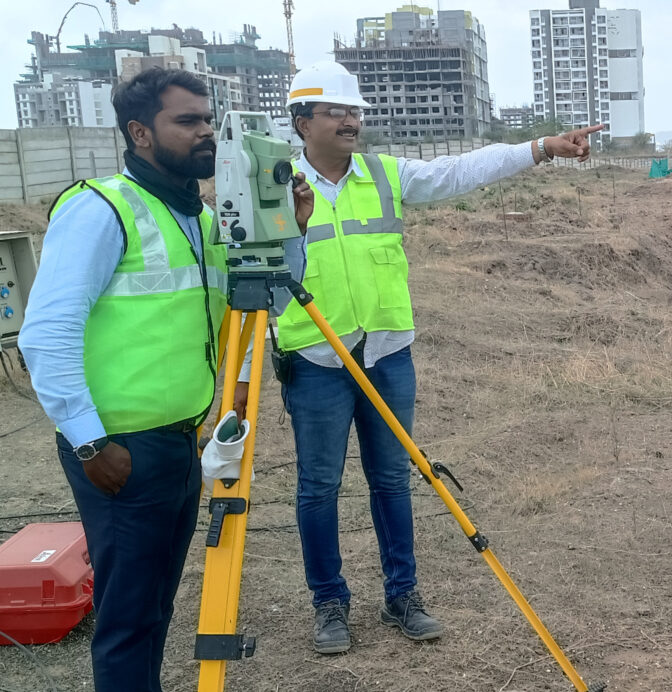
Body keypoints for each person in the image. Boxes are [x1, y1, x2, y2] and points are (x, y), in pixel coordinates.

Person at [234, 60, 603, 655]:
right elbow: (267, 285)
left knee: (392, 479)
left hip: (385, 353)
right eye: (337, 112)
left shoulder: (382, 174)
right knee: (318, 488)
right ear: (302, 123)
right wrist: (296, 231)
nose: (352, 121)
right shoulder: (271, 190)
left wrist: (540, 148)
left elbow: (459, 171)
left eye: (355, 111)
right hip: (314, 360)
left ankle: (402, 594)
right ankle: (329, 603)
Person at [19, 68, 234, 692]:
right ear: (141, 132)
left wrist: (289, 227)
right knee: (128, 617)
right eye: (187, 121)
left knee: (154, 606)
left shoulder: (197, 218)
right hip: (119, 451)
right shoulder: (100, 208)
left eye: (207, 119)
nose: (206, 133)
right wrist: (90, 441)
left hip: (180, 440)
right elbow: (46, 335)